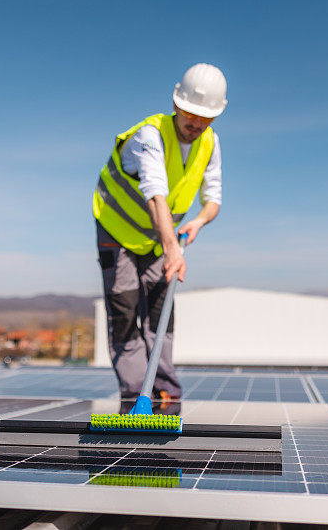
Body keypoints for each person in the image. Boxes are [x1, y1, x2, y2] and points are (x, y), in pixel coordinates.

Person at [92, 63, 227, 401]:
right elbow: (156, 193)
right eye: (190, 113)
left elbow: (214, 198)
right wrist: (172, 249)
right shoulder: (149, 135)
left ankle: (165, 392)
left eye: (205, 117)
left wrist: (198, 221)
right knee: (124, 308)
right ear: (176, 105)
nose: (196, 123)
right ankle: (135, 394)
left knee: (159, 308)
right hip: (117, 229)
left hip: (159, 238)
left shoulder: (210, 143)